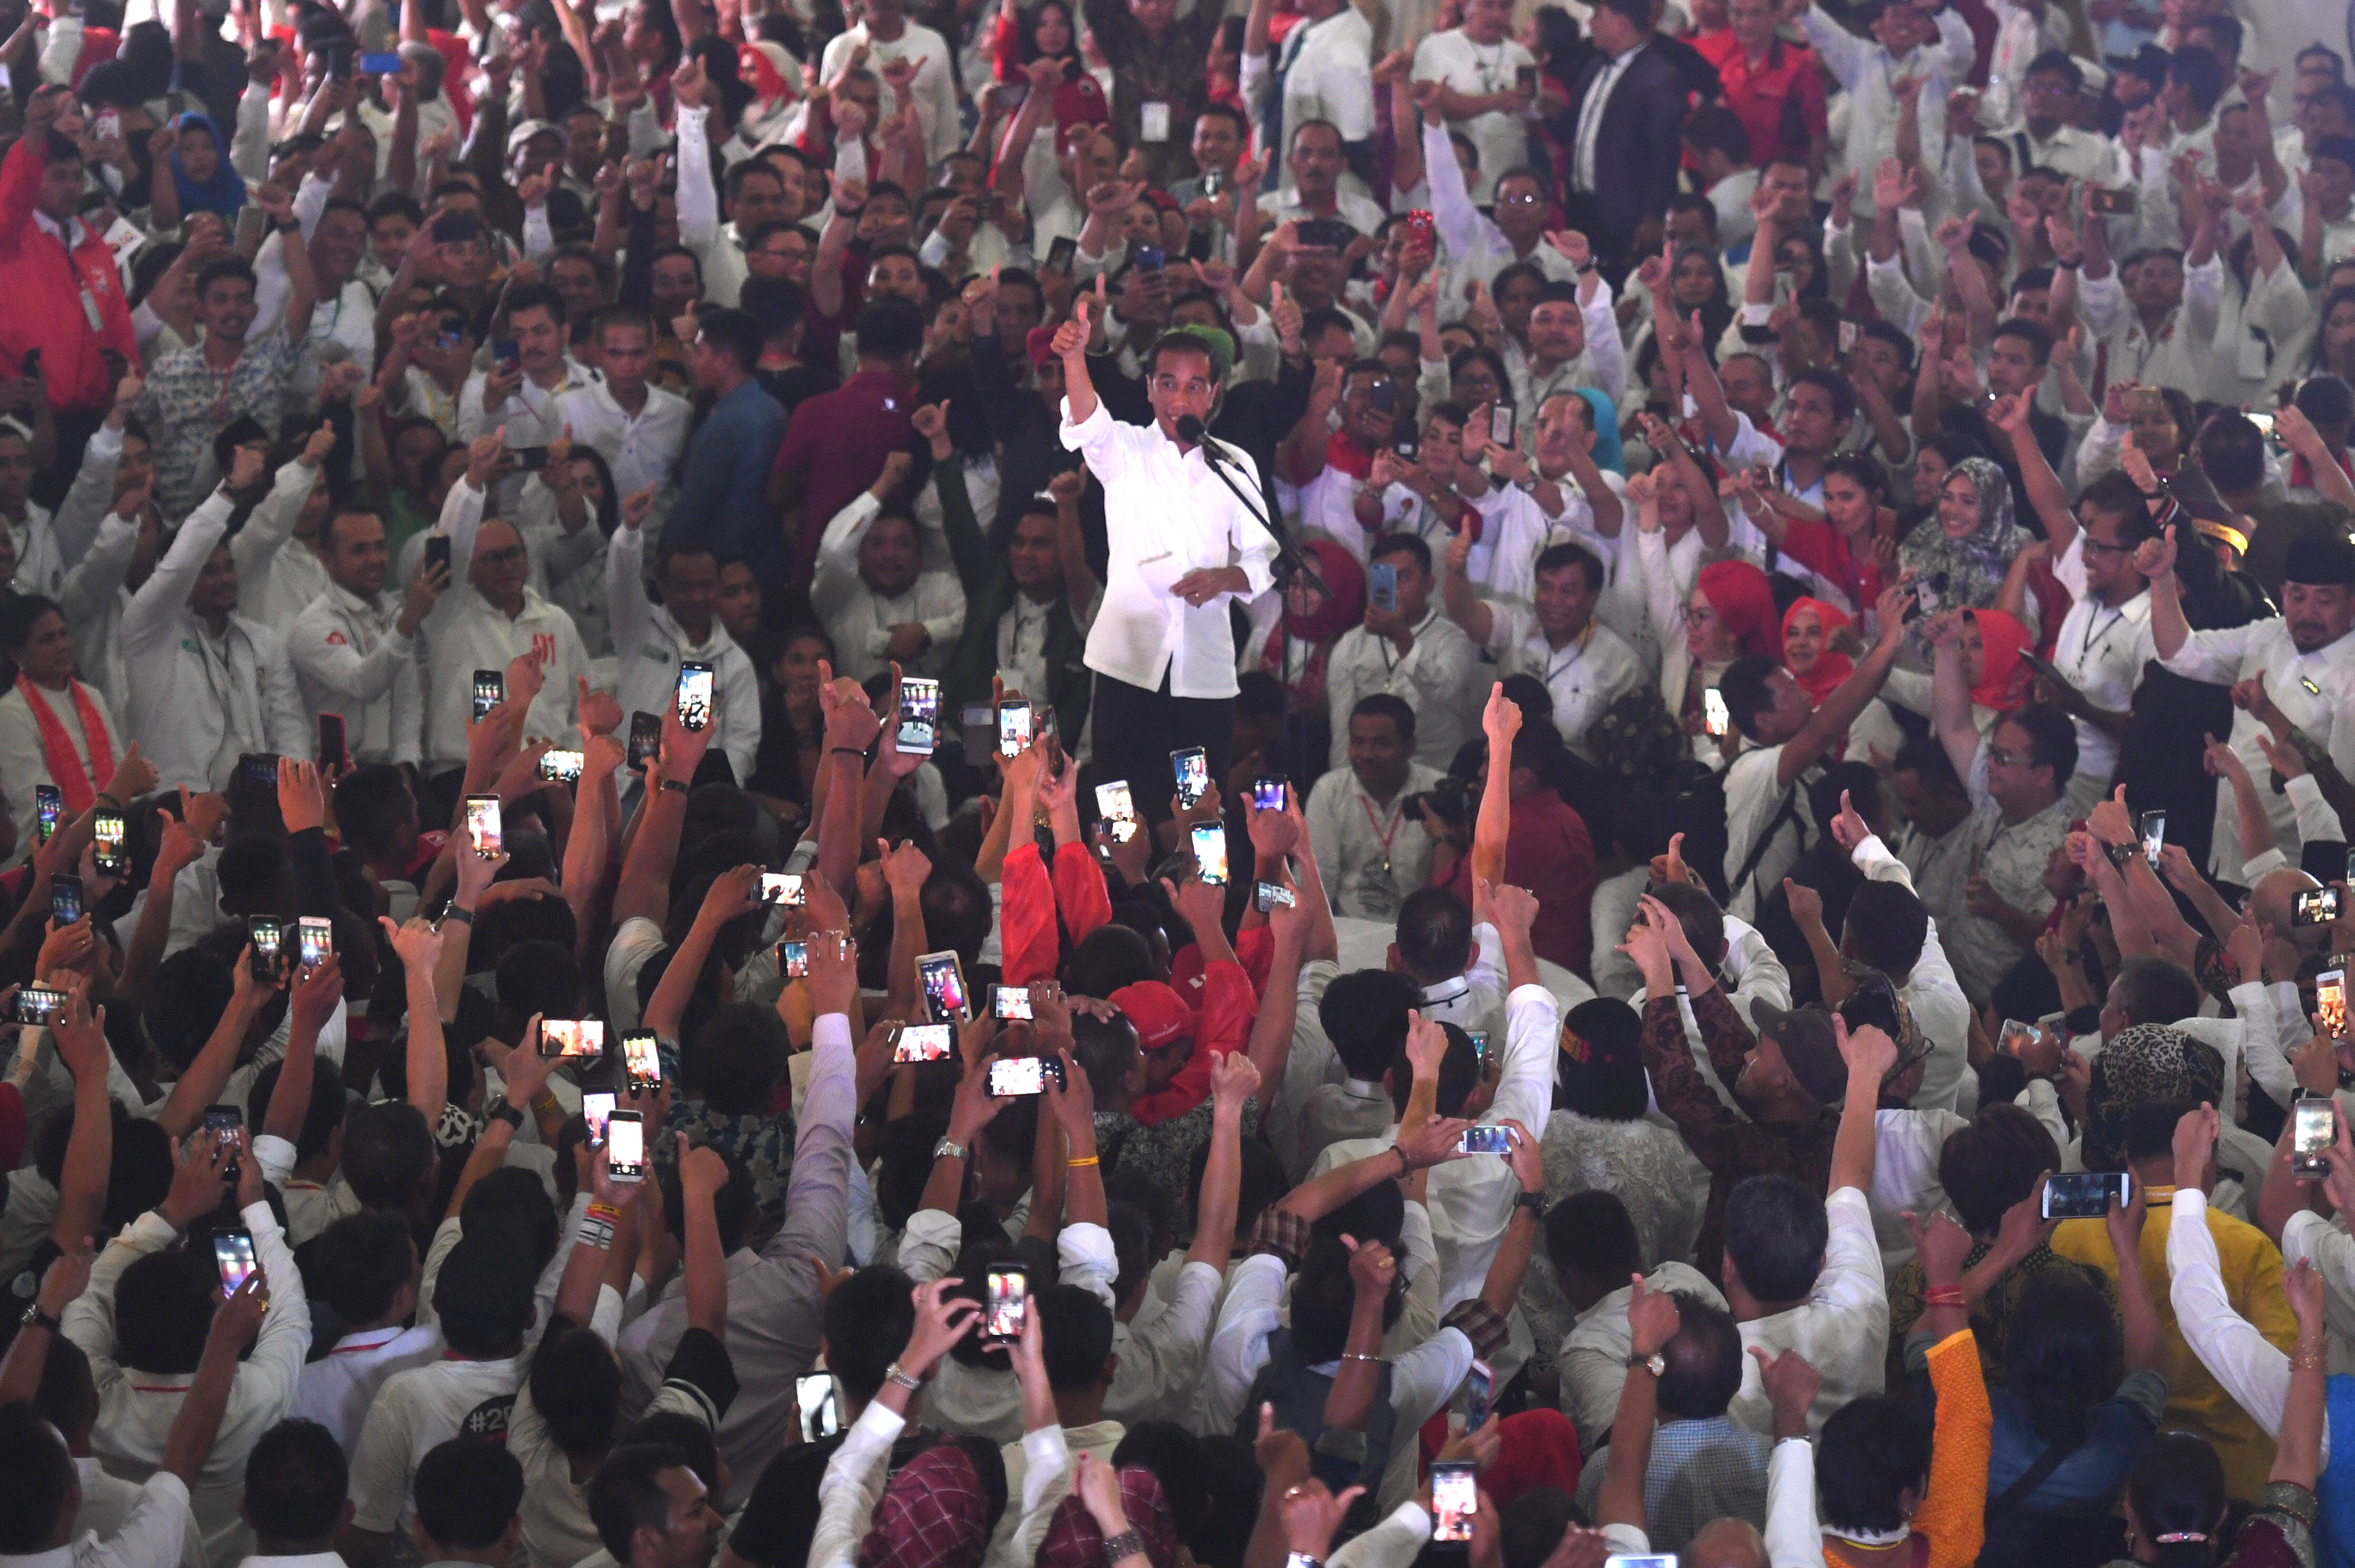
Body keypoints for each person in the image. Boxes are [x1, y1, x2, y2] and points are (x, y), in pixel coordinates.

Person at [1057, 296, 1279, 821]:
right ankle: (1117, 902)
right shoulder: (1126, 449)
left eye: (1195, 386)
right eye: (1169, 384)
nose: (1181, 398)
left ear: (1214, 393)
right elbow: (1088, 422)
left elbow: (1266, 553)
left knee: (1199, 809)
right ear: (1150, 388)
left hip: (1203, 673)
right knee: (1118, 804)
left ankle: (1204, 898)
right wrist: (1074, 360)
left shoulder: (1233, 463)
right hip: (1127, 665)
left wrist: (1225, 576)